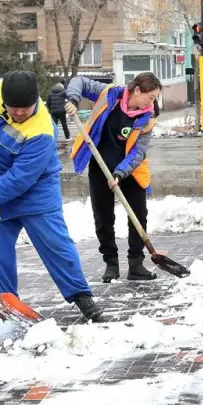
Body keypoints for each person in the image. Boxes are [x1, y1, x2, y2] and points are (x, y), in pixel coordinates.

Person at [0, 70, 105, 322]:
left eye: (25, 108)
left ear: (35, 101)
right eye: (13, 108)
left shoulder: (42, 130)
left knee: (56, 247)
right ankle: (6, 301)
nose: (19, 113)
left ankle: (81, 296)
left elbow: (20, 178)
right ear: (4, 99)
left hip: (36, 194)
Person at [65, 72, 161, 283]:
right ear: (137, 90)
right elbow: (79, 81)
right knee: (103, 217)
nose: (153, 102)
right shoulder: (109, 95)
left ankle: (136, 264)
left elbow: (138, 152)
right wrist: (73, 99)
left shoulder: (148, 118)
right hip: (100, 165)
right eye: (151, 97)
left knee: (138, 215)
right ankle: (111, 263)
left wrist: (120, 173)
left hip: (130, 170)